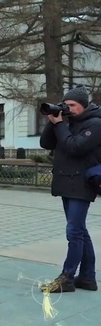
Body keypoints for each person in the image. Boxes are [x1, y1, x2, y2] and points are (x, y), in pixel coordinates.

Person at [39, 84, 101, 293]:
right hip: (67, 182)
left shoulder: (95, 123)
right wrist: (53, 120)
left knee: (74, 231)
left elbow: (75, 146)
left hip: (82, 183)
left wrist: (60, 125)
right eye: (66, 105)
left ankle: (67, 278)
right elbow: (46, 143)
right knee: (80, 231)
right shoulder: (68, 123)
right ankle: (88, 278)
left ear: (84, 105)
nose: (69, 109)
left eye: (72, 105)